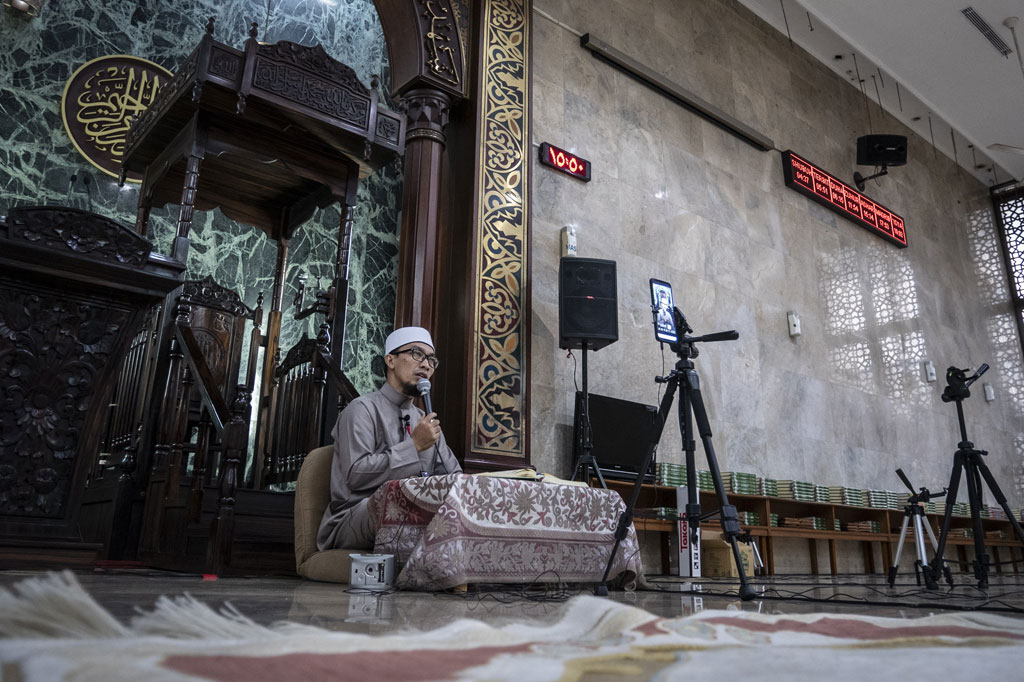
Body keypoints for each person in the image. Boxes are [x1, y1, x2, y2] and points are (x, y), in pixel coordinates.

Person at [316, 326, 462, 550]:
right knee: (395, 507)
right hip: (354, 516)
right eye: (416, 354)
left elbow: (455, 479)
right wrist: (414, 447)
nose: (426, 364)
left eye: (432, 360)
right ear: (391, 360)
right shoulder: (361, 409)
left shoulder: (425, 422)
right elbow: (356, 474)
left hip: (411, 512)